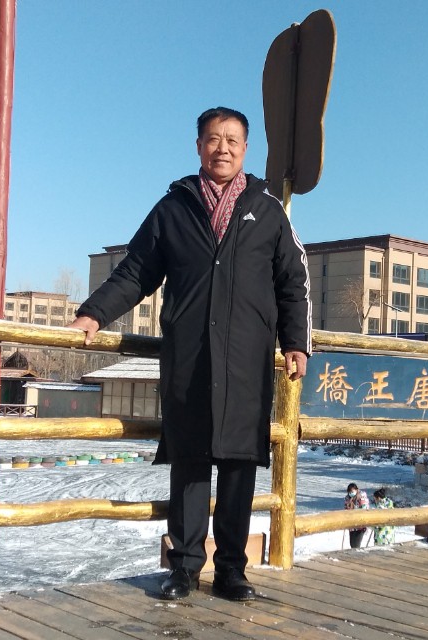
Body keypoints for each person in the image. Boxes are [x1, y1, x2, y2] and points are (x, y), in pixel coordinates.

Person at [68, 107, 312, 602]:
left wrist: (295, 342)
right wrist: (94, 313)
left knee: (240, 466)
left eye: (232, 140)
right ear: (198, 145)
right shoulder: (173, 208)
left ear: (245, 150)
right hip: (190, 354)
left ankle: (232, 571)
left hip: (245, 359)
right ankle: (183, 568)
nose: (223, 148)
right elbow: (136, 271)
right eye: (213, 139)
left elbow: (293, 282)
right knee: (190, 463)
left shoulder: (267, 211)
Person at [343, 482, 369, 548]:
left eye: (352, 491)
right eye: (349, 492)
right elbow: (346, 509)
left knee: (356, 544)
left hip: (360, 524)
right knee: (352, 544)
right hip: (351, 524)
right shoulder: (348, 498)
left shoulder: (362, 497)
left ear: (356, 490)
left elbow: (365, 509)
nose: (351, 493)